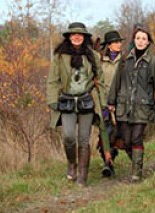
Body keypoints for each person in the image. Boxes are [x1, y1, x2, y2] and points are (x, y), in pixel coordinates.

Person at [47, 22, 111, 187]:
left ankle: (83, 176)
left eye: (80, 34)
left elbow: (100, 81)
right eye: (73, 34)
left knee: (84, 139)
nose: (76, 37)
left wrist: (102, 102)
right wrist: (52, 100)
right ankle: (71, 163)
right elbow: (53, 81)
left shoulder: (93, 56)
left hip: (86, 101)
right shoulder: (59, 57)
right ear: (69, 37)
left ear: (84, 37)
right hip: (66, 101)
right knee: (68, 136)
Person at [108, 26, 155, 182]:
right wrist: (111, 101)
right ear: (133, 40)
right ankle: (137, 164)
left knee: (136, 138)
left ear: (148, 42)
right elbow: (116, 82)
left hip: (142, 107)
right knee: (126, 139)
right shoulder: (125, 60)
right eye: (138, 38)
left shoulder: (152, 62)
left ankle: (136, 174)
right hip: (124, 106)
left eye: (144, 38)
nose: (140, 41)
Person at [98, 30, 125, 177]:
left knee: (124, 134)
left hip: (122, 103)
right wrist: (104, 102)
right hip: (105, 104)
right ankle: (108, 163)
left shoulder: (126, 60)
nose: (118, 44)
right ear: (109, 45)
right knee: (105, 134)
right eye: (115, 42)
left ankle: (136, 165)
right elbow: (99, 83)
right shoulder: (101, 62)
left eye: (119, 42)